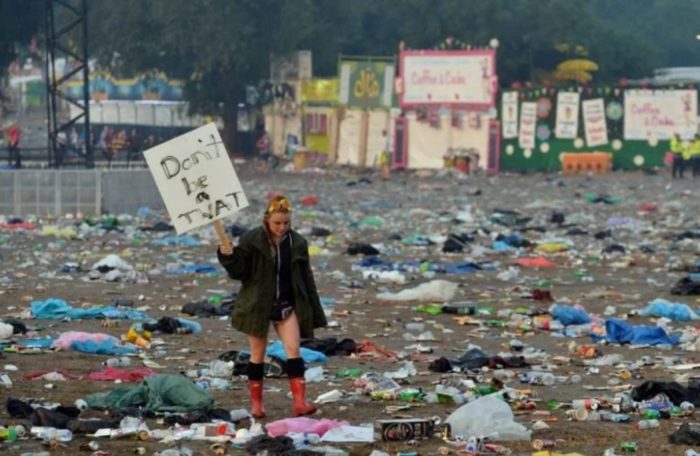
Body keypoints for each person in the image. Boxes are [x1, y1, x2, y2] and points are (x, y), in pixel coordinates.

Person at [217, 196, 327, 418]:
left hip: (286, 304)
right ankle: (257, 405)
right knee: (257, 355)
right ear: (267, 220)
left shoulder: (297, 243)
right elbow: (239, 272)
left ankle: (299, 402)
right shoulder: (252, 239)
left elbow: (306, 278)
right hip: (258, 304)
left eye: (286, 223)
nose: (282, 227)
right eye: (277, 223)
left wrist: (313, 310)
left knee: (293, 351)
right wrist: (228, 255)